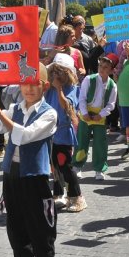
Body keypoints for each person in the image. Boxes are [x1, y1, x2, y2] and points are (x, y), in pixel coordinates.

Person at [0, 63, 58, 257]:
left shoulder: (49, 113)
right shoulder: (15, 108)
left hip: (34, 178)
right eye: (25, 83)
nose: (28, 88)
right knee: (16, 230)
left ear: (44, 86)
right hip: (12, 176)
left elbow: (23, 136)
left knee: (41, 229)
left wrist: (0, 115)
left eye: (34, 83)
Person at [44, 54, 84, 212]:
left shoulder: (72, 88)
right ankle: (58, 195)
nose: (56, 75)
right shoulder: (50, 88)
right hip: (50, 133)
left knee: (65, 166)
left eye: (60, 71)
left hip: (63, 133)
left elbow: (68, 107)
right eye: (54, 71)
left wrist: (59, 88)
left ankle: (77, 197)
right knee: (55, 168)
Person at [73, 53, 118, 181]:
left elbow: (111, 105)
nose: (102, 69)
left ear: (111, 70)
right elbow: (81, 98)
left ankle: (99, 169)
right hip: (86, 114)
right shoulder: (89, 79)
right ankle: (77, 166)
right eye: (100, 66)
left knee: (100, 144)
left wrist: (101, 114)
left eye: (105, 67)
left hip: (100, 117)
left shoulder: (112, 85)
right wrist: (85, 112)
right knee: (82, 141)